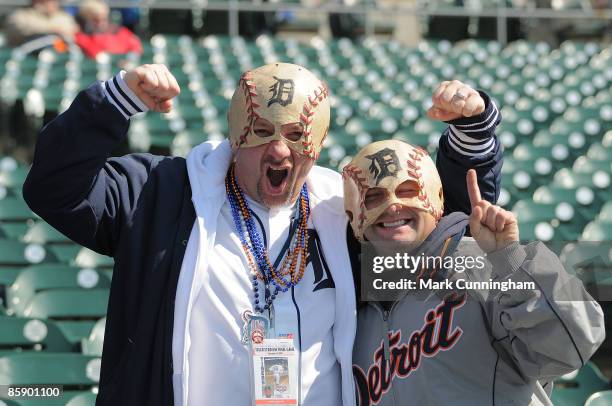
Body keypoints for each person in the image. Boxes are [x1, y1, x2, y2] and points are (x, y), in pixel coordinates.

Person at [343, 138, 606, 405]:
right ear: (353, 215)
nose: (393, 206)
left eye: (408, 190)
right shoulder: (348, 306)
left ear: (436, 197)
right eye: (373, 197)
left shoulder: (484, 265)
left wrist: (510, 260)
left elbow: (572, 346)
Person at [74, 0, 142, 59]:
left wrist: (129, 58)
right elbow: (97, 54)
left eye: (103, 19)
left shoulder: (119, 31)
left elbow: (136, 46)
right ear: (87, 19)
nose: (100, 23)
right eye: (95, 20)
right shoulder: (82, 37)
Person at [4, 0, 78, 47]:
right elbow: (20, 27)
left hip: (59, 55)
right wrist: (52, 29)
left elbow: (73, 30)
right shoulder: (22, 15)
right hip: (29, 57)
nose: (53, 3)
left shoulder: (62, 16)